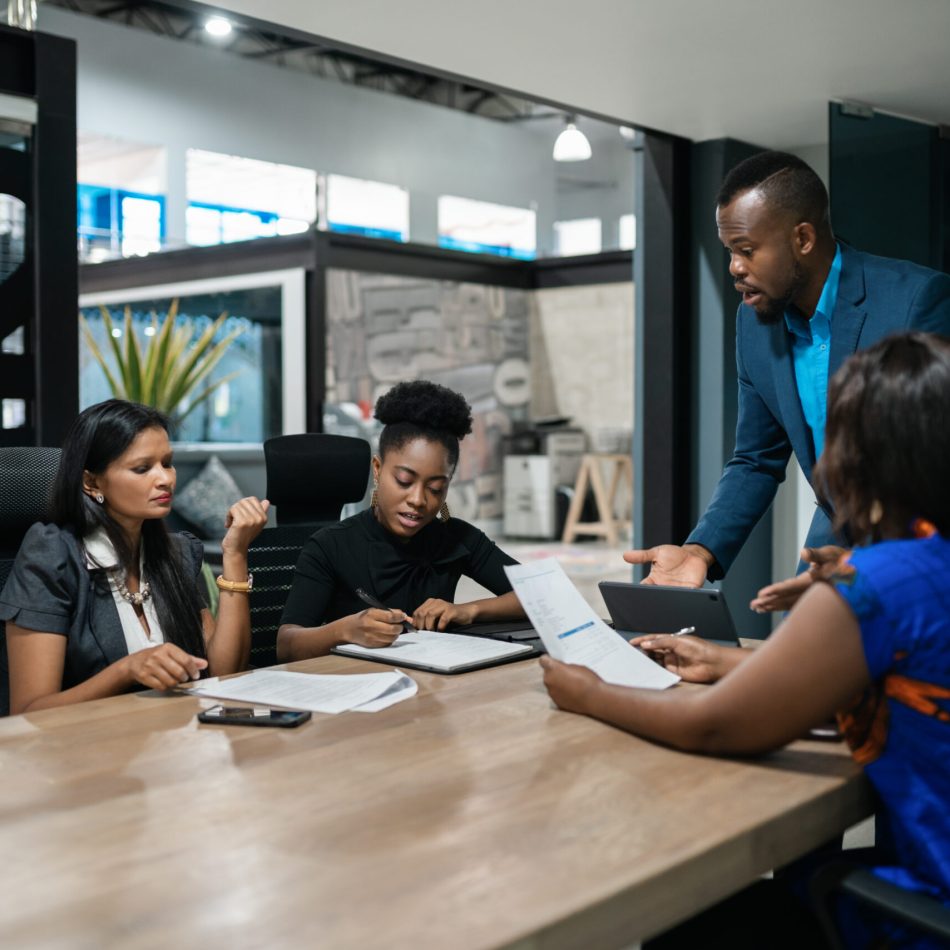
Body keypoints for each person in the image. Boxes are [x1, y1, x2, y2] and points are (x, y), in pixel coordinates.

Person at [543, 332, 950, 947]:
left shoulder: (873, 586)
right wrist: (728, 661)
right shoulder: (924, 565)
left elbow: (715, 728)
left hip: (923, 912)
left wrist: (589, 692)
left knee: (682, 925)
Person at [624, 151, 950, 590]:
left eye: (747, 250)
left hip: (920, 546)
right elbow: (755, 459)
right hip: (834, 535)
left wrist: (875, 566)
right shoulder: (754, 323)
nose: (735, 268)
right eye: (729, 251)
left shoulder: (917, 299)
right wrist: (700, 550)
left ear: (803, 238)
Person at [0, 399, 269, 714]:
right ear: (92, 482)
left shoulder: (176, 554)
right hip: (83, 750)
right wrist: (126, 671)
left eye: (167, 463)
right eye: (142, 468)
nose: (165, 479)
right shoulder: (52, 556)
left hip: (173, 739)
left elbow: (225, 673)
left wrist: (235, 553)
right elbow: (30, 711)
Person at [276, 380, 525, 660]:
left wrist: (468, 610)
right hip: (356, 689)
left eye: (435, 488)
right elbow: (286, 645)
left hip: (433, 686)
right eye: (404, 481)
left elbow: (540, 596)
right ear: (378, 469)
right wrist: (345, 630)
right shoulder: (330, 546)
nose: (418, 500)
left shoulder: (457, 538)